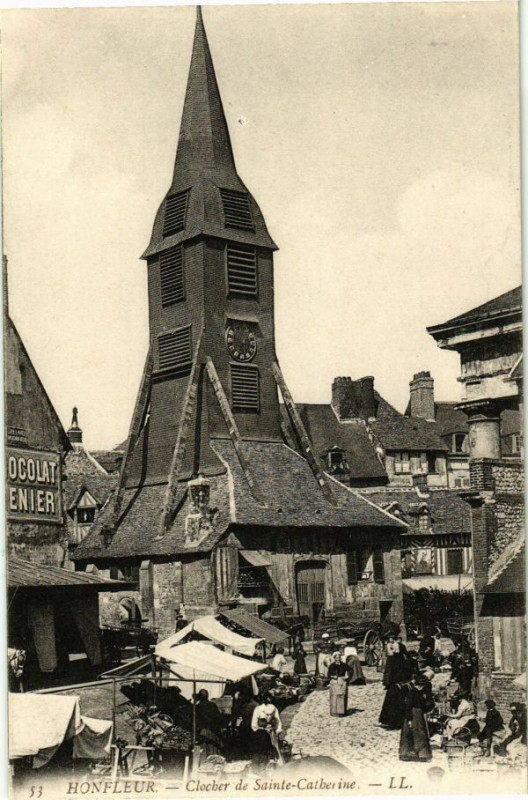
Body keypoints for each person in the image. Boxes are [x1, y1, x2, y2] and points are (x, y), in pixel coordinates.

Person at [399, 671, 435, 762]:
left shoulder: (419, 692)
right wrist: (409, 719)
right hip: (412, 714)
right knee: (413, 734)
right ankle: (407, 753)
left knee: (419, 734)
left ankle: (421, 754)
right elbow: (408, 707)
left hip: (419, 715)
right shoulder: (412, 693)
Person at [379, 638, 412, 729]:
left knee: (396, 703)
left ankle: (395, 723)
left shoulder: (398, 660)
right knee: (393, 703)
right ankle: (391, 722)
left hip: (398, 684)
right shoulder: (394, 660)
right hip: (395, 684)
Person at [250, 701, 282, 770]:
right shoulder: (273, 708)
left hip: (261, 732)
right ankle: (274, 765)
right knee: (273, 747)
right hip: (272, 731)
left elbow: (254, 724)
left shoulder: (258, 709)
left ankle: (261, 766)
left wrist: (258, 729)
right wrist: (276, 730)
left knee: (261, 750)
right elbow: (278, 721)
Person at [232, 685, 259, 757]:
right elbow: (236, 713)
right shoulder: (243, 703)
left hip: (250, 728)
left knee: (249, 745)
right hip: (243, 727)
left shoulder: (254, 705)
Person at [195, 689, 223, 756]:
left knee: (205, 749)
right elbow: (219, 718)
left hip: (204, 730)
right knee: (213, 748)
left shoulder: (198, 707)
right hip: (213, 730)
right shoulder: (212, 705)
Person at [327, 652, 349, 717]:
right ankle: (334, 712)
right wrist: (332, 677)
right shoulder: (331, 666)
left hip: (342, 681)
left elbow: (350, 670)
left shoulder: (344, 665)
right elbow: (328, 675)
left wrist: (347, 676)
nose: (338, 659)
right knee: (334, 696)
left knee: (341, 696)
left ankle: (341, 712)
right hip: (334, 682)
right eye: (336, 657)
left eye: (339, 657)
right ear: (334, 658)